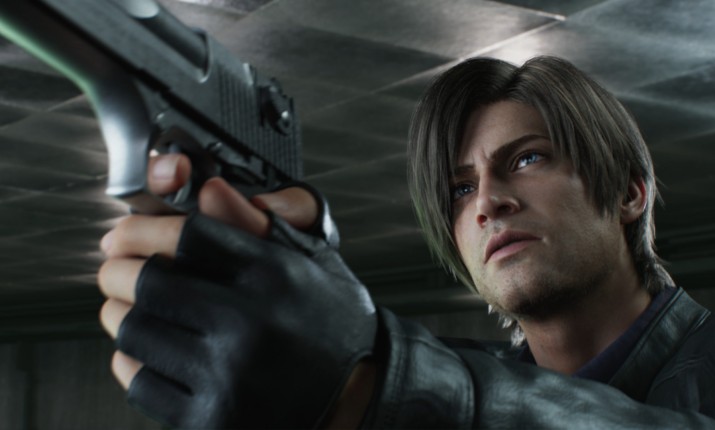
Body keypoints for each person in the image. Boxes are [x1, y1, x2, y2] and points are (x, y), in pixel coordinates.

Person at [98, 56, 715, 428]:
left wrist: (376, 390)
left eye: (527, 159)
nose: (487, 202)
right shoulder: (466, 374)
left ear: (629, 192)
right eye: (459, 189)